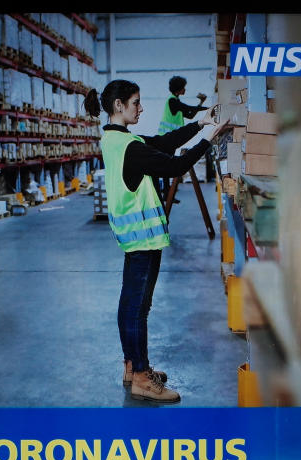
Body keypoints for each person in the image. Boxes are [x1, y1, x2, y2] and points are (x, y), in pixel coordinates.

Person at [84, 80, 230, 404]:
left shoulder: (114, 138)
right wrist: (210, 136)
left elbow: (164, 143)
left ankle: (132, 366)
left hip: (132, 238)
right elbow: (177, 164)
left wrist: (199, 122)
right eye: (136, 103)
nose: (141, 108)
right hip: (143, 239)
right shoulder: (131, 148)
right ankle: (141, 377)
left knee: (130, 305)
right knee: (138, 308)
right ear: (119, 105)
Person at [156, 76, 209, 201]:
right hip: (166, 137)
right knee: (166, 164)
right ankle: (166, 194)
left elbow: (190, 115)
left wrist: (201, 104)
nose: (185, 90)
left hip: (172, 138)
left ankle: (167, 194)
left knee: (167, 163)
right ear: (179, 89)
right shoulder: (172, 101)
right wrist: (207, 108)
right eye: (183, 88)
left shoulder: (176, 102)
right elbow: (188, 108)